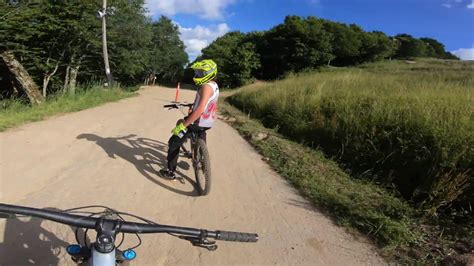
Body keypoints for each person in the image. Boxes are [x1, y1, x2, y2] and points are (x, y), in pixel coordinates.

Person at [159, 59, 219, 179]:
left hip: (197, 121)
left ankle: (170, 172)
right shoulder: (214, 85)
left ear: (209, 73)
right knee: (200, 134)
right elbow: (206, 103)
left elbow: (201, 108)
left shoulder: (205, 87)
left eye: (200, 73)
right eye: (197, 73)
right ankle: (200, 157)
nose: (197, 75)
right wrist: (192, 105)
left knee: (173, 142)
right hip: (207, 122)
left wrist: (184, 125)